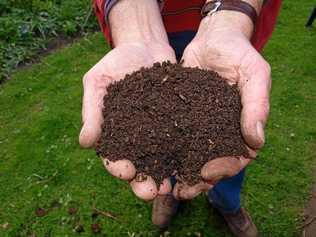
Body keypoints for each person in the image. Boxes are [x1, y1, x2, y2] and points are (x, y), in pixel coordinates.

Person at [79, 0, 281, 236]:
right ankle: (168, 193)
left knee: (230, 151)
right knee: (166, 161)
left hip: (231, 24)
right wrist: (136, 24)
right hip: (158, 20)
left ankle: (228, 204)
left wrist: (230, 17)